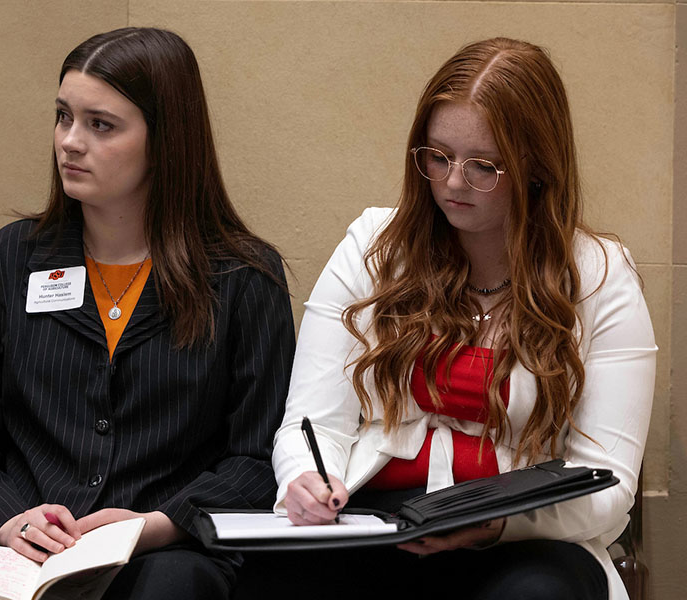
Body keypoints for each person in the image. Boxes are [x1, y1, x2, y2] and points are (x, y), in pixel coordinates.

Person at [271, 38, 655, 600]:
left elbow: (609, 484)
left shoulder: (600, 274)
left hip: (523, 541)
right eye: (438, 156)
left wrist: (494, 523)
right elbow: (314, 422)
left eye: (483, 166)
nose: (452, 183)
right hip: (376, 524)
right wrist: (308, 479)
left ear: (537, 168)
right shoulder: (373, 246)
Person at [0, 27, 294, 600]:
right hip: (24, 555)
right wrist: (11, 520)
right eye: (63, 117)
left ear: (165, 141)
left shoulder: (244, 278)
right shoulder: (5, 261)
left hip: (169, 555)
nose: (70, 142)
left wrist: (157, 525)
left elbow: (256, 459)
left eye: (101, 125)